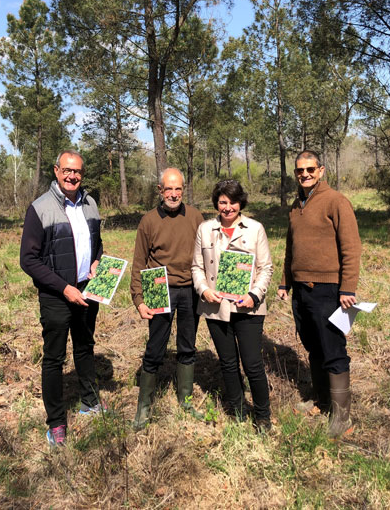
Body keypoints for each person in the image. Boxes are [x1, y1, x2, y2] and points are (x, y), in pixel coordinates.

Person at [20, 150, 104, 447]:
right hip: (57, 295)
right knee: (54, 359)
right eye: (67, 170)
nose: (72, 176)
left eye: (77, 172)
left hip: (87, 291)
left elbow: (97, 244)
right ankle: (56, 422)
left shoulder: (90, 204)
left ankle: (90, 402)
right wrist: (64, 288)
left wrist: (96, 262)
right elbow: (28, 260)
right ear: (56, 171)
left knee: (85, 347)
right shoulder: (40, 208)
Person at [277, 150, 361, 438]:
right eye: (300, 170)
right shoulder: (296, 204)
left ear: (321, 170)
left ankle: (342, 418)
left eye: (310, 169)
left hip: (328, 290)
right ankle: (322, 400)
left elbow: (351, 247)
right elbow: (292, 249)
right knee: (312, 346)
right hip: (301, 290)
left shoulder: (336, 202)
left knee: (333, 350)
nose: (305, 174)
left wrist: (347, 288)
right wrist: (285, 282)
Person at [192, 180, 273, 429]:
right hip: (217, 307)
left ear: (241, 203)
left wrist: (254, 295)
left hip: (248, 308)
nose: (227, 208)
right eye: (223, 202)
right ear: (217, 202)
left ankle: (262, 415)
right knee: (227, 362)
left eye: (233, 202)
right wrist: (204, 290)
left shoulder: (255, 229)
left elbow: (265, 268)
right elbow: (196, 267)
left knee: (252, 363)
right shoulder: (205, 229)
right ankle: (237, 410)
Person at [130, 168, 204, 429]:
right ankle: (144, 407)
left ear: (183, 190)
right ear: (159, 190)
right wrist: (139, 299)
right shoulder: (148, 221)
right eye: (168, 189)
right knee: (155, 347)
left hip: (189, 290)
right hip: (158, 288)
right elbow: (139, 262)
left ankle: (185, 400)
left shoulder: (195, 216)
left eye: (178, 189)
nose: (173, 194)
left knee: (188, 345)